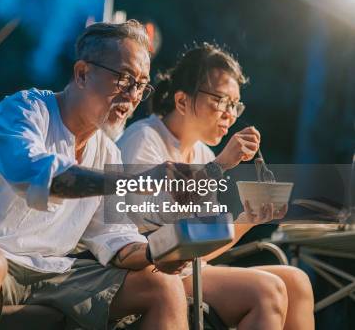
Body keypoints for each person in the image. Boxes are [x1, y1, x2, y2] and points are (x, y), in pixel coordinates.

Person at [0, 20, 190, 330]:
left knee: (163, 287)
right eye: (124, 78)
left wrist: (160, 251)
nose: (132, 96)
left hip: (49, 273)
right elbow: (38, 177)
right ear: (82, 73)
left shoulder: (107, 152)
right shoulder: (24, 111)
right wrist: (134, 180)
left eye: (141, 85)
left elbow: (114, 239)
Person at [118, 43, 315, 330]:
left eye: (235, 105)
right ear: (183, 101)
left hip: (190, 270)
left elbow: (200, 249)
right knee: (267, 290)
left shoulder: (202, 154)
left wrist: (249, 220)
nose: (230, 115)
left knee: (297, 282)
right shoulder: (143, 140)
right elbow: (156, 241)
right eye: (221, 101)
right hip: (148, 272)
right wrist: (220, 166)